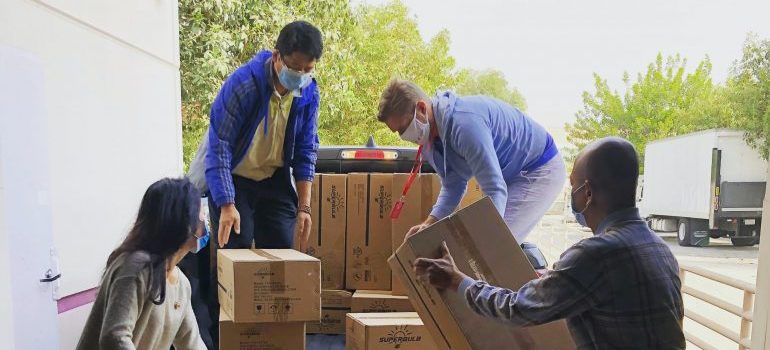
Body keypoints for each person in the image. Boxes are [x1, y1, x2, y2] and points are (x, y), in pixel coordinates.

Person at [413, 137, 685, 349]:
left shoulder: (594, 256)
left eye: (574, 186)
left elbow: (516, 309)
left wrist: (455, 280)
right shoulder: (660, 250)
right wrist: (554, 281)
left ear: (587, 192)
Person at [197, 20, 323, 347]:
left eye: (308, 69)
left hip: (274, 180)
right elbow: (219, 146)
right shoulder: (244, 85)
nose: (301, 75)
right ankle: (223, 338)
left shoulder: (307, 91)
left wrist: (304, 207)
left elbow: (307, 149)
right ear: (277, 56)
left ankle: (278, 339)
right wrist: (226, 204)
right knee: (235, 260)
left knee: (284, 259)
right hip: (234, 181)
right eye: (295, 67)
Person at [377, 79, 565, 244]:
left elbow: (495, 189)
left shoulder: (464, 125)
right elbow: (453, 186)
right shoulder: (433, 141)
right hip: (511, 173)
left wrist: (484, 242)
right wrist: (429, 224)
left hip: (538, 168)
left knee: (497, 248)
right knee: (487, 248)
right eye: (398, 132)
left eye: (403, 127)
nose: (403, 136)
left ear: (421, 108)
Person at [76, 178, 208, 350]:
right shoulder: (136, 268)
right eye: (201, 213)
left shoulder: (181, 284)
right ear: (183, 222)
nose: (205, 218)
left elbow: (191, 342)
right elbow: (115, 338)